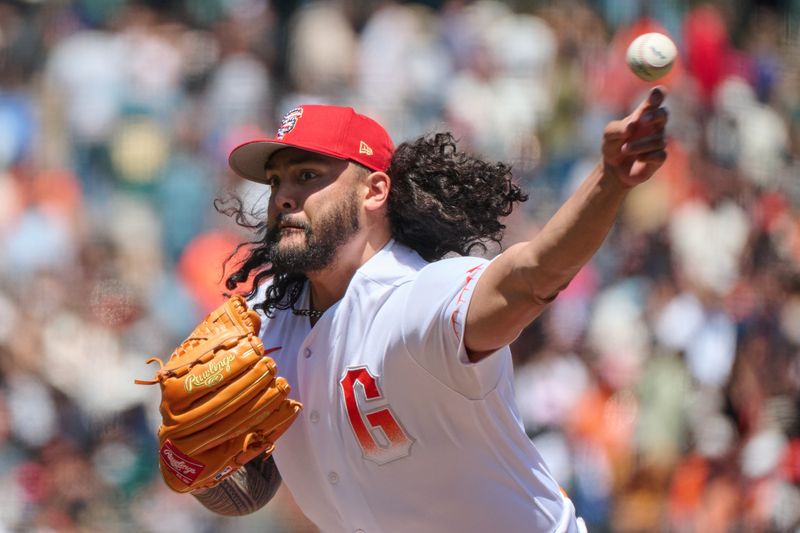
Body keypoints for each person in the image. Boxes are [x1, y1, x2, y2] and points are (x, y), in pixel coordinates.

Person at [193, 89, 668, 532]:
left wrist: (609, 181)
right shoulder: (262, 326)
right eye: (276, 181)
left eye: (308, 176)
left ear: (374, 192)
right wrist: (192, 458)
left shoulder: (418, 299)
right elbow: (227, 484)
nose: (283, 197)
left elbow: (531, 276)